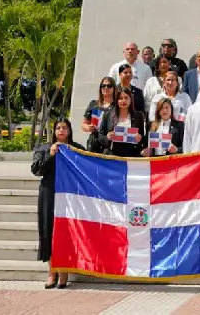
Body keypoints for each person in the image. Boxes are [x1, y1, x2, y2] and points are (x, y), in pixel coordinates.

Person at [32, 119, 83, 289]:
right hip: (49, 194)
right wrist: (50, 155)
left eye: (64, 128)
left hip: (70, 196)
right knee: (49, 231)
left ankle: (64, 273)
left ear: (69, 130)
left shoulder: (77, 149)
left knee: (66, 232)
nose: (61, 130)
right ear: (54, 131)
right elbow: (36, 169)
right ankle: (51, 272)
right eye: (58, 128)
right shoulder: (44, 148)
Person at [98, 87, 146, 157]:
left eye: (126, 98)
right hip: (112, 155)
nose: (123, 101)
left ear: (131, 100)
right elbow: (100, 137)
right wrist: (107, 137)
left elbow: (144, 137)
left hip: (132, 156)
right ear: (117, 101)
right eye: (120, 98)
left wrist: (140, 137)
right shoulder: (107, 115)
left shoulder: (139, 116)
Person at [82, 76, 116, 153]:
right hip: (94, 140)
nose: (106, 88)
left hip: (108, 143)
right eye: (103, 86)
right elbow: (84, 124)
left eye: (109, 86)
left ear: (114, 88)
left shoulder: (117, 106)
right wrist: (88, 127)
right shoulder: (94, 104)